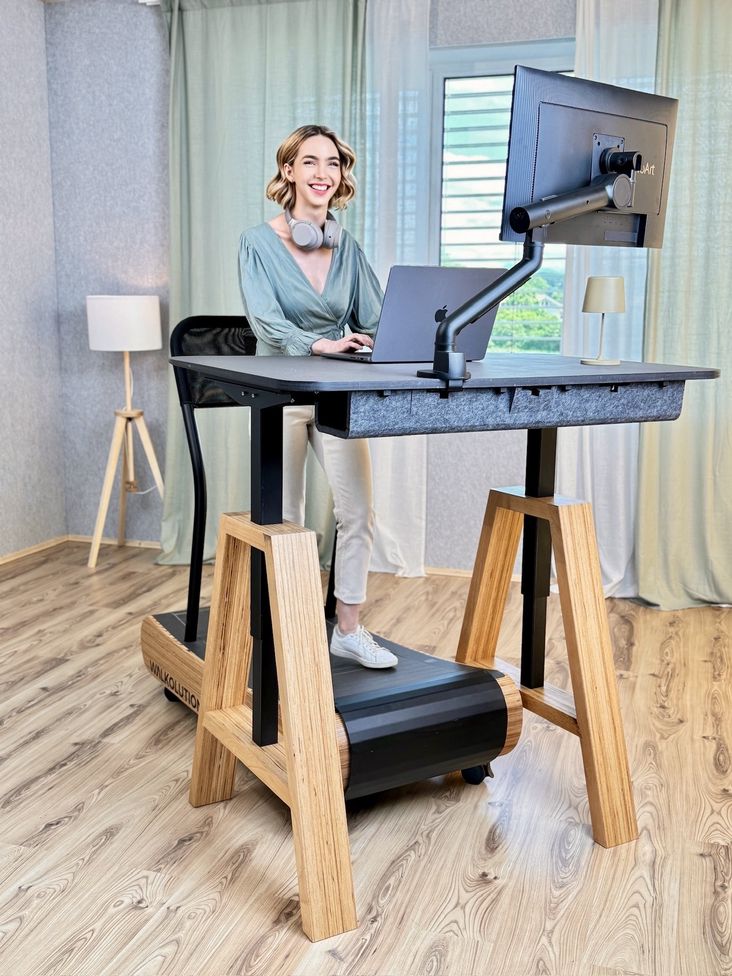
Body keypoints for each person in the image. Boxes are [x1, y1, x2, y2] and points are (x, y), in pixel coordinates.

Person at [238, 124, 398, 670]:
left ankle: (347, 629)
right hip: (279, 392)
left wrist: (381, 336)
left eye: (332, 164)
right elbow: (265, 321)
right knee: (286, 519)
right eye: (310, 163)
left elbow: (375, 317)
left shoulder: (347, 246)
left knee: (358, 512)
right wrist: (318, 342)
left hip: (336, 394)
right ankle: (290, 626)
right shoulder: (257, 243)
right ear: (288, 171)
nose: (323, 174)